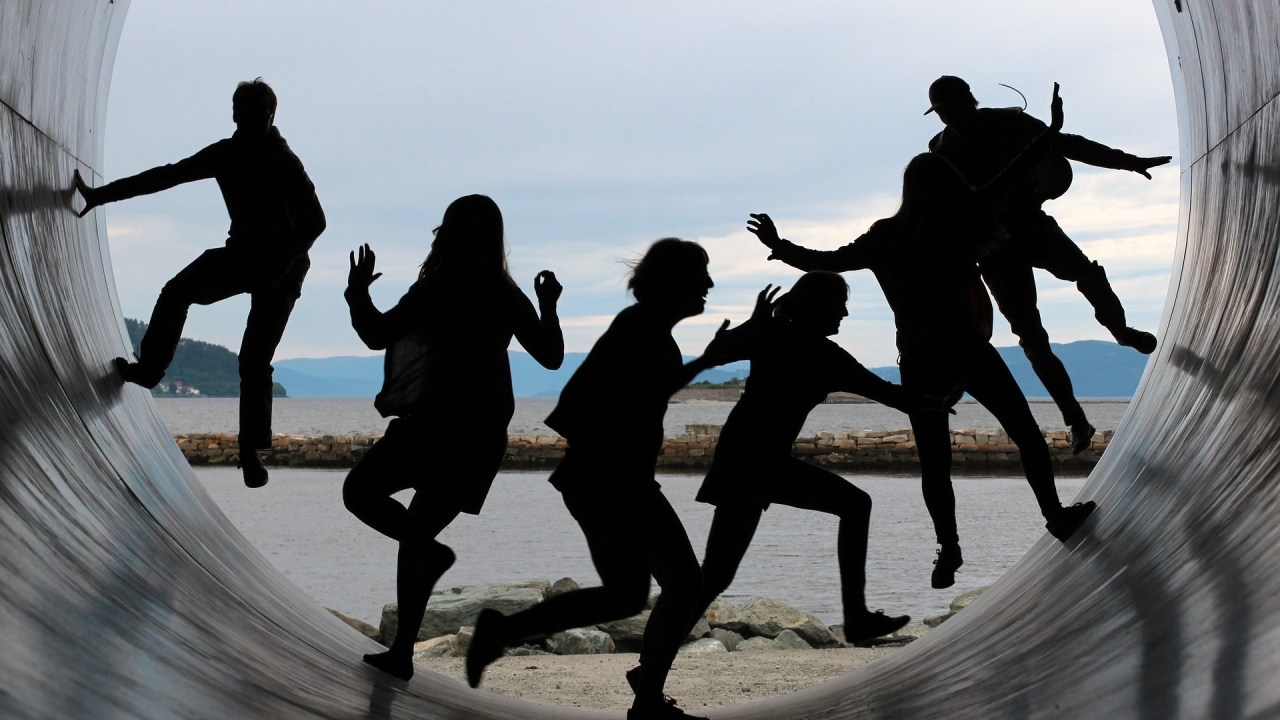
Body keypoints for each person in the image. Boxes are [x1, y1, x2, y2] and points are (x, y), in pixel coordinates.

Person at [750, 84, 1096, 591]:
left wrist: (780, 246)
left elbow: (826, 261)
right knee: (1024, 432)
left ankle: (949, 548)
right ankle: (1055, 516)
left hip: (919, 359)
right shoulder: (960, 226)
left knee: (936, 462)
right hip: (968, 349)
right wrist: (1050, 133)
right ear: (947, 185)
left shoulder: (884, 237)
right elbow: (1008, 177)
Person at [466, 238, 731, 720]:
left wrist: (708, 359)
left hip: (600, 479)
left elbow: (634, 393)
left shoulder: (645, 327)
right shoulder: (642, 328)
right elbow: (620, 397)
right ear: (674, 281)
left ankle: (501, 633)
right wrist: (710, 359)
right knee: (685, 583)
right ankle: (646, 698)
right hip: (612, 481)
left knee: (628, 594)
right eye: (701, 276)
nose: (709, 285)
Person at [343, 194, 564, 682]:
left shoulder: (438, 287)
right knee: (417, 536)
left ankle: (404, 645)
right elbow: (551, 356)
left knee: (360, 493)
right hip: (479, 437)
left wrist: (357, 292)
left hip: (431, 426)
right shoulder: (505, 293)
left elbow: (377, 334)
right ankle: (402, 647)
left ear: (449, 233)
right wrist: (548, 306)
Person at [73, 78, 326, 488]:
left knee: (253, 359)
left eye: (256, 116)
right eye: (241, 115)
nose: (247, 123)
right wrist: (101, 195)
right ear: (233, 115)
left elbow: (316, 222)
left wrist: (280, 266)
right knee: (177, 291)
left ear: (270, 116)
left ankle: (250, 452)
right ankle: (149, 370)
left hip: (285, 268)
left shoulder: (285, 162)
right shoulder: (226, 154)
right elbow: (166, 176)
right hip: (242, 255)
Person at [688, 273, 948, 646]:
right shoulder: (818, 353)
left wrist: (752, 326)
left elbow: (714, 356)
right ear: (819, 306)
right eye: (839, 304)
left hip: (745, 460)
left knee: (716, 574)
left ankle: (654, 655)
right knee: (854, 505)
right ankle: (856, 619)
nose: (844, 312)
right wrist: (935, 402)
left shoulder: (780, 338)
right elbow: (892, 395)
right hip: (755, 463)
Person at [925, 75, 1171, 454]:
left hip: (1032, 226)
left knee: (1087, 274)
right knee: (1032, 339)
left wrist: (1127, 162)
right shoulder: (938, 150)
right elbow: (946, 211)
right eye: (941, 113)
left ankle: (1121, 331)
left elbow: (1065, 144)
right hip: (993, 251)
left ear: (970, 100)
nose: (946, 118)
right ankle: (1075, 419)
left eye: (950, 109)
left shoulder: (1009, 122)